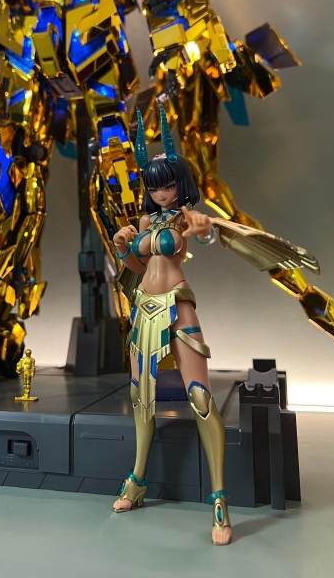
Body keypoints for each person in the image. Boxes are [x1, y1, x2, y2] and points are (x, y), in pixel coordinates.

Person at [111, 105, 231, 546]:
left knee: (200, 398)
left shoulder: (183, 218)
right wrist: (122, 246)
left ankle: (219, 499)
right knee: (141, 399)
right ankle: (137, 480)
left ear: (180, 184)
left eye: (167, 185)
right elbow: (136, 265)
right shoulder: (146, 221)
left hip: (179, 306)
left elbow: (207, 235)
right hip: (144, 307)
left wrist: (204, 228)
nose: (161, 193)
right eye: (154, 187)